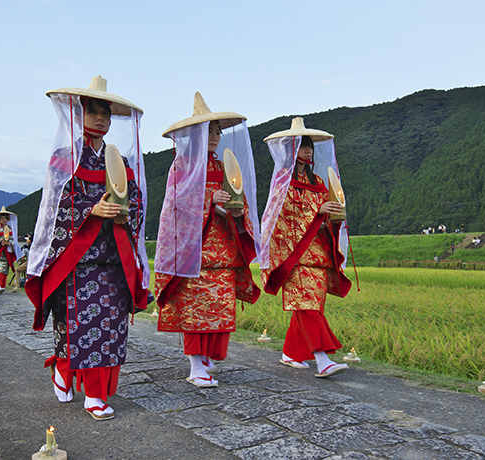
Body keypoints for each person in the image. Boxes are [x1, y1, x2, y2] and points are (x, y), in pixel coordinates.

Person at [25, 76, 150, 420]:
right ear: (79, 116)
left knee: (111, 329)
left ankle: (96, 394)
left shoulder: (120, 163)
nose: (100, 120)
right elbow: (52, 208)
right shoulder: (64, 157)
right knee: (75, 328)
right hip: (76, 262)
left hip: (112, 261)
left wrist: (126, 214)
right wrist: (90, 211)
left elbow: (135, 201)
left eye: (105, 115)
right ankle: (64, 371)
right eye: (93, 113)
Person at [154, 92, 261, 388]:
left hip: (223, 251)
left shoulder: (224, 166)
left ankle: (207, 358)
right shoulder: (182, 166)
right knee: (195, 311)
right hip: (195, 253)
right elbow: (174, 205)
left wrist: (235, 210)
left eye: (217, 132)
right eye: (208, 131)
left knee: (220, 310)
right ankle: (195, 365)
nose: (214, 137)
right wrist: (209, 200)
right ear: (195, 134)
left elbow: (238, 201)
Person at [260, 118, 351, 378]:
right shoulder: (282, 181)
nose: (307, 150)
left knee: (310, 307)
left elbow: (325, 213)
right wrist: (316, 210)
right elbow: (280, 216)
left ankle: (290, 353)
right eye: (302, 145)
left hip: (318, 255)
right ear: (290, 149)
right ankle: (323, 360)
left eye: (309, 145)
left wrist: (332, 215)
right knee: (307, 307)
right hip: (294, 256)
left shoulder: (319, 181)